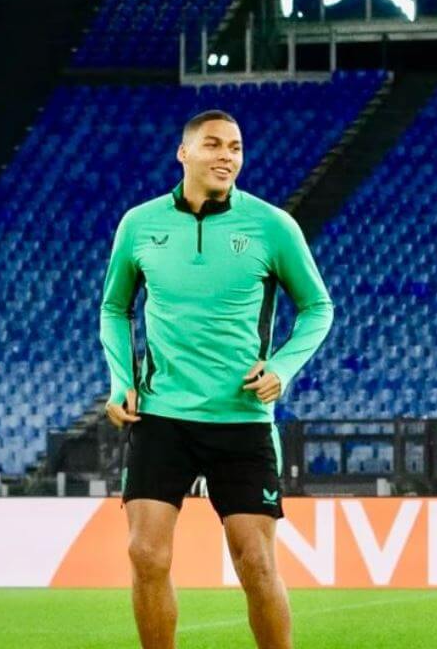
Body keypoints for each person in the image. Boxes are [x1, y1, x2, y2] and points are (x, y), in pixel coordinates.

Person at [98, 109, 334, 649]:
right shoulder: (139, 224)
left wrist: (282, 366)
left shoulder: (272, 226)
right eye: (213, 145)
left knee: (254, 562)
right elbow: (114, 308)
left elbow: (318, 307)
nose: (227, 155)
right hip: (160, 416)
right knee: (145, 553)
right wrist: (120, 379)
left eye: (235, 147)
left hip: (242, 419)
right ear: (184, 153)